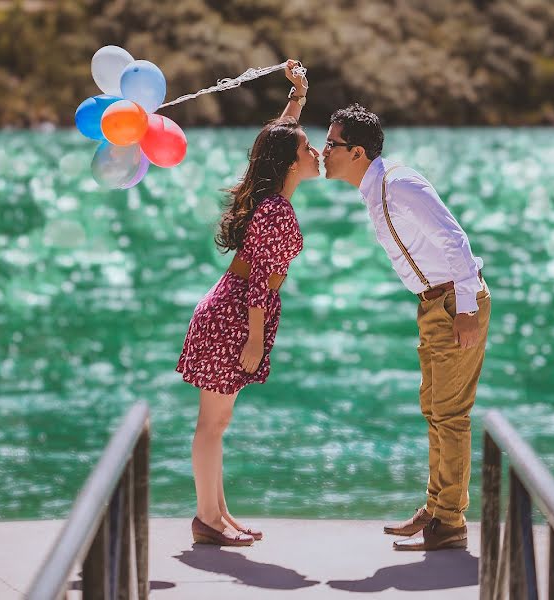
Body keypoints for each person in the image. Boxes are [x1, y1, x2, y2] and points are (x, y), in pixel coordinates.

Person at [323, 104, 490, 551]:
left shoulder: (399, 182)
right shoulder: (375, 189)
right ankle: (436, 508)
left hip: (455, 302)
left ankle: (450, 523)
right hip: (434, 304)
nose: (324, 152)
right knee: (434, 410)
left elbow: (454, 239)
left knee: (451, 415)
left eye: (331, 144)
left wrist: (468, 308)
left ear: (357, 152)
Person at [176, 60, 318, 546]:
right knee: (212, 423)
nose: (314, 149)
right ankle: (206, 520)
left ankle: (217, 513)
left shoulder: (272, 196)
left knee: (218, 421)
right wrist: (255, 339)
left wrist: (297, 96)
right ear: (291, 163)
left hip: (229, 307)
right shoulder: (276, 209)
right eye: (306, 146)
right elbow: (261, 279)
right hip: (236, 314)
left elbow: (280, 138)